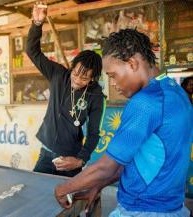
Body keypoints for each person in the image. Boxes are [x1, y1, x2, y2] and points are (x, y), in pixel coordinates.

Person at [54, 29, 193, 217]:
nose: (111, 83)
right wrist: (99, 184)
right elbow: (142, 161)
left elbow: (107, 167)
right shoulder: (176, 92)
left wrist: (63, 189)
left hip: (143, 210)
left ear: (132, 63)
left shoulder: (145, 103)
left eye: (112, 75)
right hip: (173, 208)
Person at [26, 3, 105, 177]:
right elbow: (32, 51)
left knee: (70, 202)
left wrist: (81, 160)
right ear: (72, 67)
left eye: (84, 78)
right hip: (46, 155)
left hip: (70, 160)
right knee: (37, 195)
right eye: (76, 73)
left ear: (92, 78)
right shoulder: (58, 74)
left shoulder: (96, 96)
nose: (76, 80)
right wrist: (37, 24)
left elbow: (93, 133)